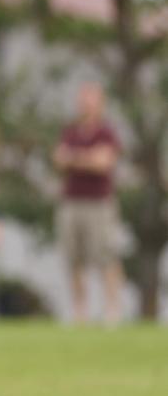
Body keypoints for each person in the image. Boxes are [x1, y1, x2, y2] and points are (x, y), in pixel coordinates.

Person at [53, 82, 124, 324]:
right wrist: (87, 158)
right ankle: (79, 312)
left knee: (106, 256)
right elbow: (59, 160)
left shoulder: (107, 132)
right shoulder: (70, 132)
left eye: (91, 100)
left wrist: (75, 158)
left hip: (99, 203)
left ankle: (112, 311)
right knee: (74, 259)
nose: (86, 105)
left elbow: (104, 163)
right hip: (71, 202)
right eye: (82, 100)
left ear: (100, 104)